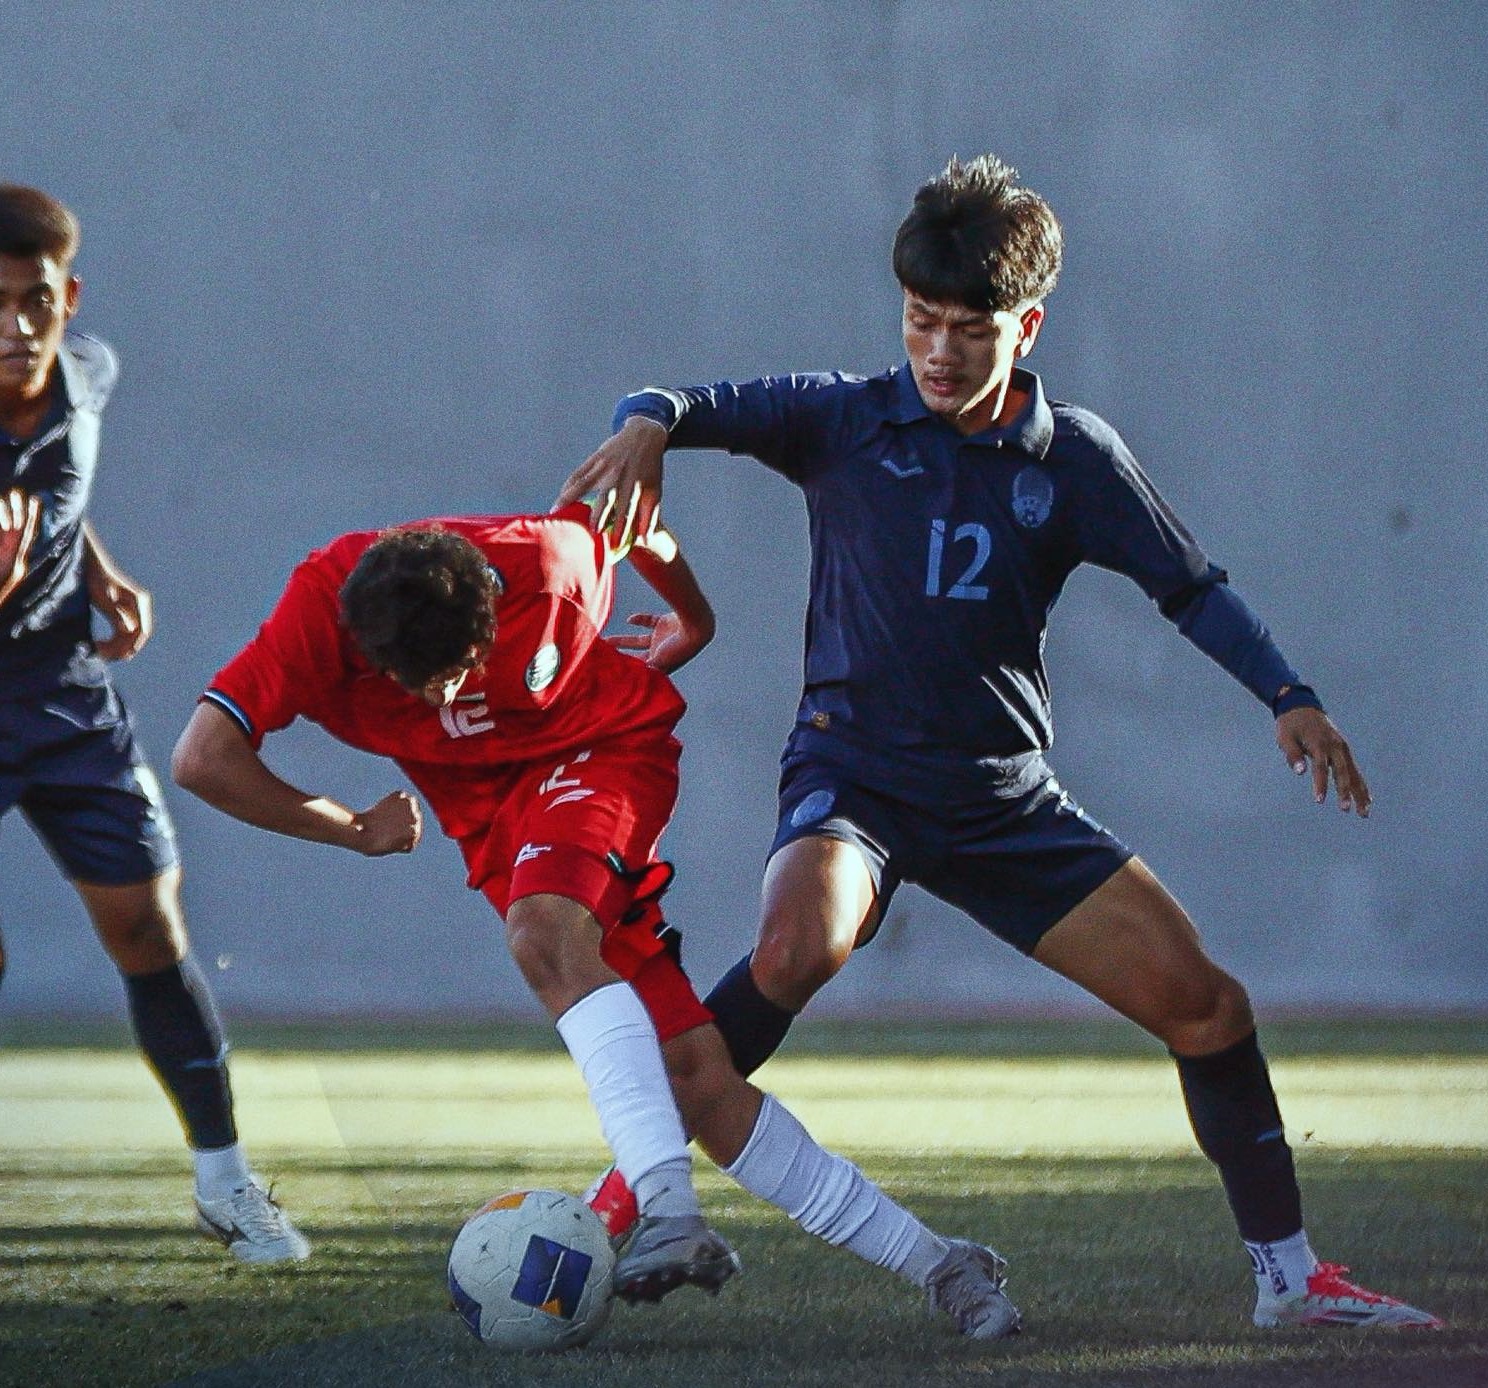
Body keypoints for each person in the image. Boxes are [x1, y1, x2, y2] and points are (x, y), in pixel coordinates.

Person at [557, 154, 1442, 1331]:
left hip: (1002, 803)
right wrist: (644, 430)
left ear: (1025, 326)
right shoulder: (843, 415)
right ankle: (630, 1189)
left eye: (966, 329)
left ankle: (1293, 1280)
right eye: (920, 321)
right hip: (855, 778)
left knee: (1210, 1010)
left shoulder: (1074, 457)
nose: (936, 349)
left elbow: (1192, 589)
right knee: (792, 948)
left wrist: (1288, 691)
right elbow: (683, 402)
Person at [171, 507, 1020, 1335]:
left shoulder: (552, 558)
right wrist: (351, 828)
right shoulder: (319, 612)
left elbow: (632, 515)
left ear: (494, 609)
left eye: (463, 667)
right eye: (421, 683)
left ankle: (668, 1213)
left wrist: (694, 619)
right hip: (497, 823)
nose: (449, 695)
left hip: (607, 750)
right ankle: (943, 1265)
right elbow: (203, 758)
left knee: (544, 935)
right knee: (692, 1074)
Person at [0, 185, 307, 1264]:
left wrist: (102, 570)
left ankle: (226, 1184)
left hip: (62, 690)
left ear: (67, 296)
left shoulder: (88, 373)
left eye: (34, 300)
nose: (13, 325)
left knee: (148, 927)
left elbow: (55, 497)